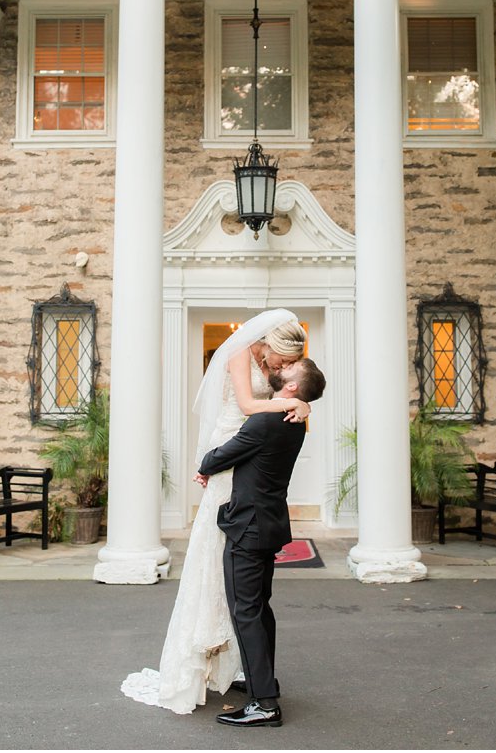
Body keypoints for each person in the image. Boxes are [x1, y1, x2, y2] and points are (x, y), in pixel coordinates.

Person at [121, 309, 311, 714]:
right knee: (225, 567)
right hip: (235, 444)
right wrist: (291, 403)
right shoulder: (241, 355)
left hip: (244, 455)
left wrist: (300, 402)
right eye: (282, 360)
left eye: (289, 365)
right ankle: (242, 669)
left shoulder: (275, 384)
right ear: (270, 345)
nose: (283, 368)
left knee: (243, 584)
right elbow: (245, 403)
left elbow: (286, 396)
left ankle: (247, 673)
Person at [198, 357, 327, 728]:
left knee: (246, 611)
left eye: (290, 370)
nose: (282, 369)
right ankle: (262, 682)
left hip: (248, 526)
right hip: (266, 523)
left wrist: (205, 464)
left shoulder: (268, 419)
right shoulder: (293, 419)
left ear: (290, 388)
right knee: (259, 609)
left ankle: (265, 704)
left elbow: (221, 455)